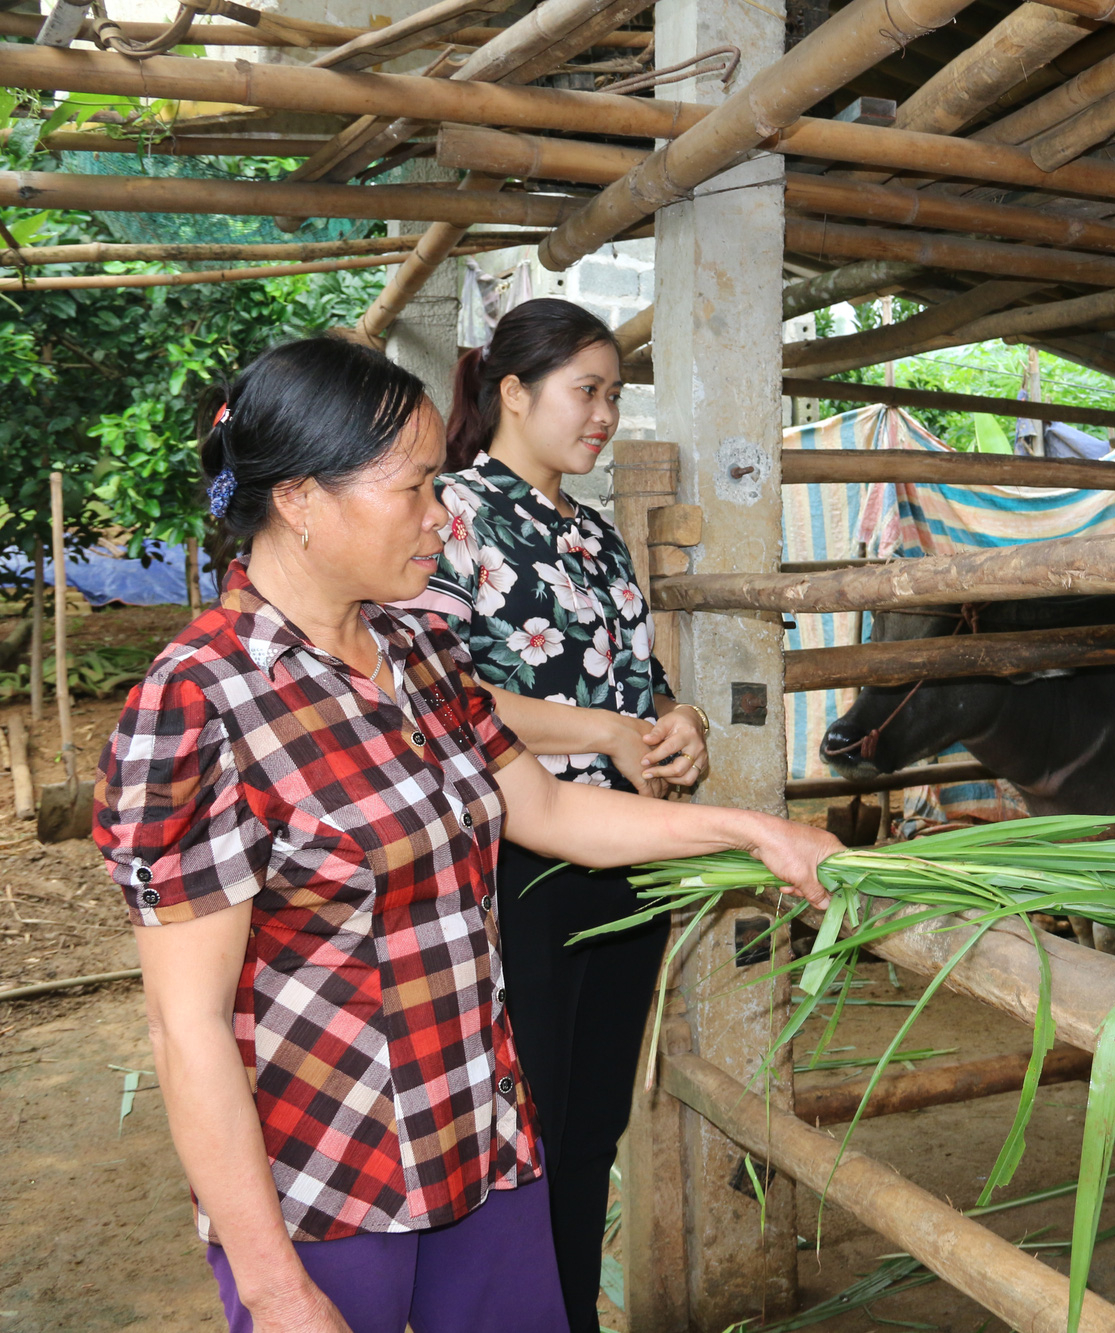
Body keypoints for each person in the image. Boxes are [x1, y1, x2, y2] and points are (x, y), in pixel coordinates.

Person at [94, 336, 838, 1333]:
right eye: (414, 489)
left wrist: (749, 831)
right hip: (328, 1187)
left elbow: (550, 810)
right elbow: (185, 1028)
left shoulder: (418, 649)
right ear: (304, 501)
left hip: (481, 1139)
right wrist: (273, 1285)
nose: (443, 517)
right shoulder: (199, 701)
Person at [400, 299, 698, 1331]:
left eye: (615, 393)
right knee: (531, 1120)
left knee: (592, 1124)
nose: (605, 413)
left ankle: (568, 1312)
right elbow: (438, 691)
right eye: (587, 390)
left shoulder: (595, 531)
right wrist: (602, 729)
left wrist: (672, 721)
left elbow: (639, 681)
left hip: (620, 852)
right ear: (514, 393)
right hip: (514, 860)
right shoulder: (450, 516)